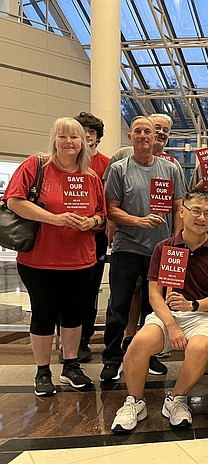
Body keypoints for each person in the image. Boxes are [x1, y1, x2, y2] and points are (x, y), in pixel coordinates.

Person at [111, 192, 208, 432]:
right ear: (182, 212)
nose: (201, 217)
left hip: (203, 316)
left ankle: (176, 399)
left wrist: (193, 305)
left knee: (198, 348)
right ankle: (135, 402)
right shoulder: (163, 248)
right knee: (139, 343)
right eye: (196, 210)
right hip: (167, 315)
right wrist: (172, 325)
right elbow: (154, 294)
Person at [3, 117, 106, 396]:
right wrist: (55, 219)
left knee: (74, 316)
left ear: (84, 142)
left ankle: (71, 366)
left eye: (75, 137)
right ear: (54, 139)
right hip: (40, 260)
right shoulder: (36, 166)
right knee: (44, 315)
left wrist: (92, 223)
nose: (69, 142)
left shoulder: (91, 176)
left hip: (81, 260)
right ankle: (42, 371)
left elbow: (102, 215)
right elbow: (14, 200)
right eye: (63, 136)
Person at [101, 115, 185, 383]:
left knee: (154, 308)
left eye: (147, 131)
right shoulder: (119, 169)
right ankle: (112, 358)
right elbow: (111, 209)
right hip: (127, 247)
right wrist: (137, 221)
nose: (143, 136)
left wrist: (175, 241)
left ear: (155, 137)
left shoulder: (170, 169)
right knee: (119, 304)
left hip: (159, 250)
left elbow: (178, 208)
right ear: (131, 137)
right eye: (138, 131)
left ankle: (148, 355)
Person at [68, 111, 109, 363]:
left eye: (91, 132)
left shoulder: (106, 164)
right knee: (68, 290)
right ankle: (67, 340)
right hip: (66, 237)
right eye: (81, 131)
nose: (86, 136)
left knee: (90, 289)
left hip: (95, 235)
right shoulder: (61, 162)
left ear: (97, 137)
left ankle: (83, 340)